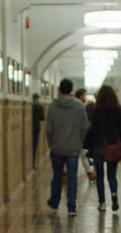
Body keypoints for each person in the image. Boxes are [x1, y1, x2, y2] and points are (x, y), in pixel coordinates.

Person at [46, 78, 90, 216]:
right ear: (71, 90)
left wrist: (51, 142)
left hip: (57, 148)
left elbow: (48, 129)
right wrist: (80, 141)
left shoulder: (52, 106)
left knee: (57, 175)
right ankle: (71, 207)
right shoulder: (79, 106)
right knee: (72, 177)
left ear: (59, 89)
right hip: (73, 147)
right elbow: (84, 126)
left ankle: (54, 201)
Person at [85, 85, 121, 211]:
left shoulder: (96, 111)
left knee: (100, 176)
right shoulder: (118, 110)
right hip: (112, 145)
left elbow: (93, 129)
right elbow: (120, 129)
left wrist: (87, 142)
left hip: (98, 146)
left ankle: (102, 203)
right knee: (112, 175)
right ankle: (114, 194)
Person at [74, 88, 96, 181]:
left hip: (75, 134)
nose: (85, 97)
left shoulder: (76, 105)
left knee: (79, 155)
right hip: (79, 134)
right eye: (84, 95)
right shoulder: (81, 106)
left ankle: (67, 174)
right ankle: (89, 173)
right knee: (82, 154)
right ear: (80, 96)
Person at [31, 93, 44, 169]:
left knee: (31, 146)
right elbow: (42, 118)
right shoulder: (40, 106)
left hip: (30, 127)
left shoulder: (30, 106)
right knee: (34, 145)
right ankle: (33, 163)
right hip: (36, 127)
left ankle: (31, 163)